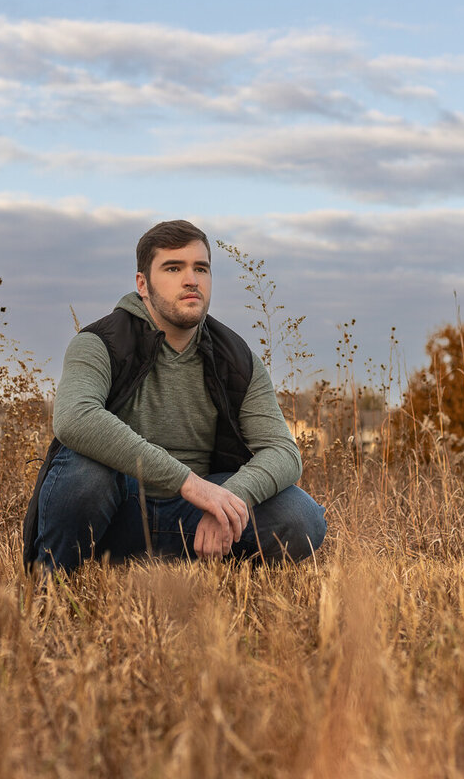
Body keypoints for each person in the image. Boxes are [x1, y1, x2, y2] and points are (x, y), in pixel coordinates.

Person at [22, 220, 326, 571]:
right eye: (173, 268)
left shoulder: (236, 359)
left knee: (302, 517)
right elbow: (75, 418)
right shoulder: (100, 343)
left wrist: (228, 499)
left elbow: (283, 452)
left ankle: (214, 575)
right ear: (143, 284)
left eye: (201, 268)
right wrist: (190, 484)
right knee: (85, 476)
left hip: (194, 518)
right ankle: (54, 579)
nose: (191, 280)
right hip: (118, 512)